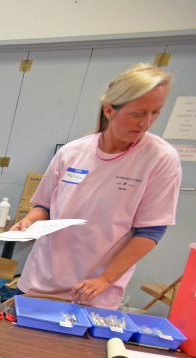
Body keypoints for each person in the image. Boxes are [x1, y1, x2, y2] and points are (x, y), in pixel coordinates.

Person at [12, 63, 181, 308]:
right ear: (110, 110)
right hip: (39, 281)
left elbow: (150, 231)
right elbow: (44, 206)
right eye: (137, 113)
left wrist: (105, 279)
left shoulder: (160, 158)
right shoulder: (72, 152)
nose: (146, 123)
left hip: (93, 292)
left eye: (155, 113)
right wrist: (30, 220)